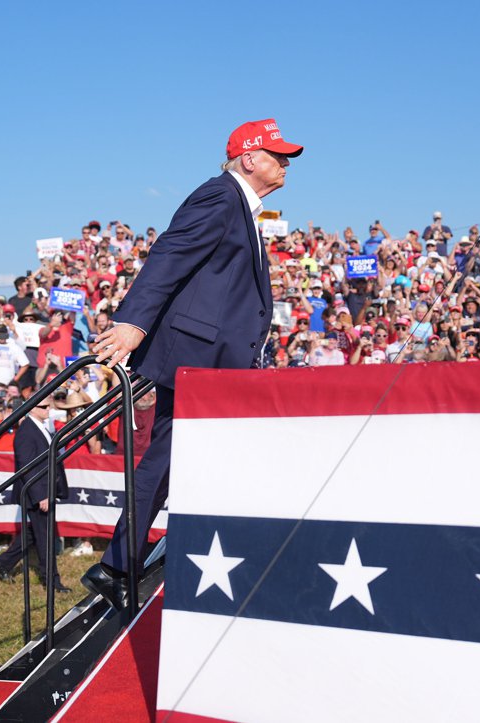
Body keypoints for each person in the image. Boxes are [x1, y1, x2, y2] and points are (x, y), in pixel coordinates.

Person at [82, 118, 303, 609]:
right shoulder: (222, 197)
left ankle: (123, 561)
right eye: (277, 154)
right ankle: (117, 564)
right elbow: (171, 254)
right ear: (249, 157)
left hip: (211, 357)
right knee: (165, 458)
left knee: (173, 458)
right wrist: (134, 323)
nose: (285, 163)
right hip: (198, 357)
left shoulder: (238, 204)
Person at [0, 398, 70, 591]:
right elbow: (27, 467)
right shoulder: (26, 431)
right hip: (38, 493)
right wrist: (41, 495)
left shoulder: (40, 427)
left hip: (44, 489)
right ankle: (52, 582)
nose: (48, 409)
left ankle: (4, 563)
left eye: (49, 405)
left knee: (35, 534)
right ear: (31, 409)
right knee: (46, 538)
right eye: (43, 406)